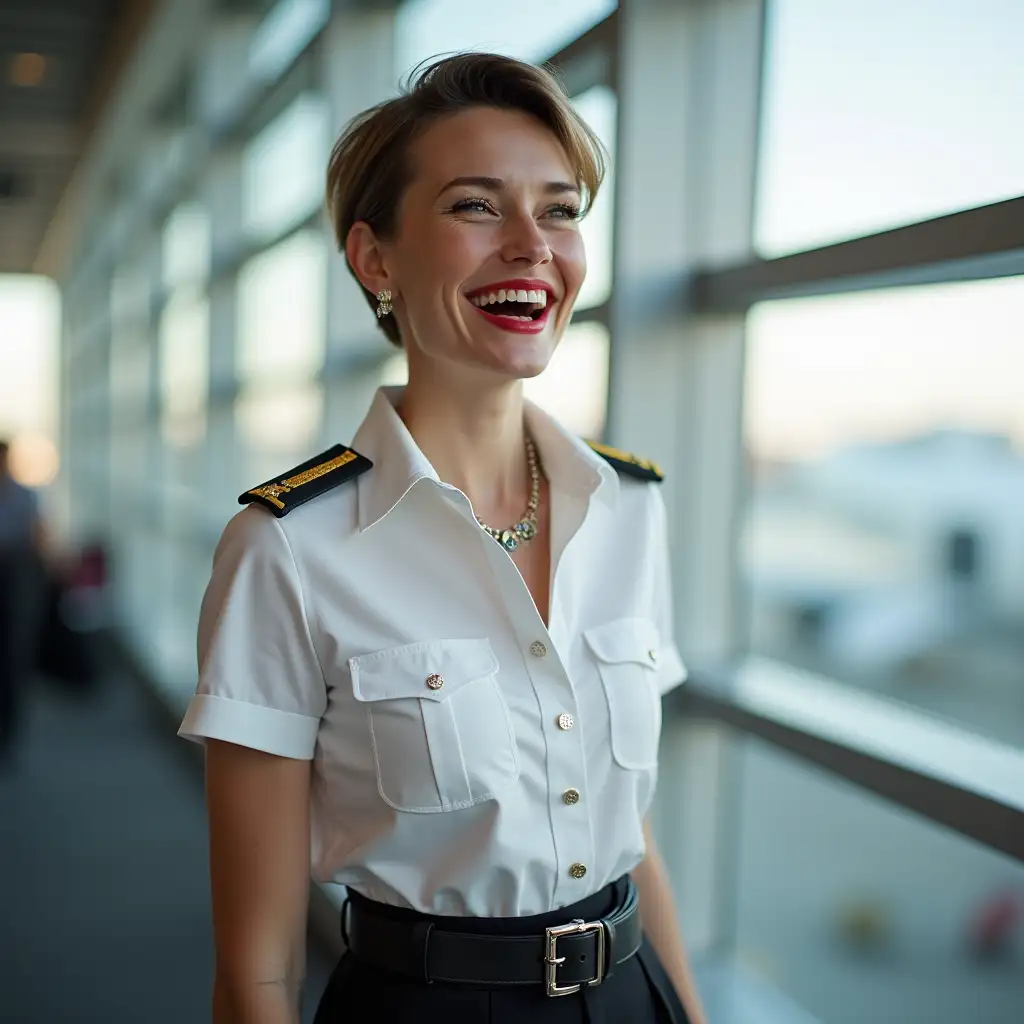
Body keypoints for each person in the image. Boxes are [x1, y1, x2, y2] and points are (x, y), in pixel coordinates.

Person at [178, 53, 707, 1024]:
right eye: (475, 207)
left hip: (633, 994)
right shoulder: (288, 547)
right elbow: (254, 964)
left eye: (558, 210)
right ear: (374, 258)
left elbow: (628, 832)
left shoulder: (629, 508)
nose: (530, 245)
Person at [0, 439, 46, 762]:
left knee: (12, 654)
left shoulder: (26, 496)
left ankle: (9, 730)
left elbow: (39, 538)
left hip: (15, 581)